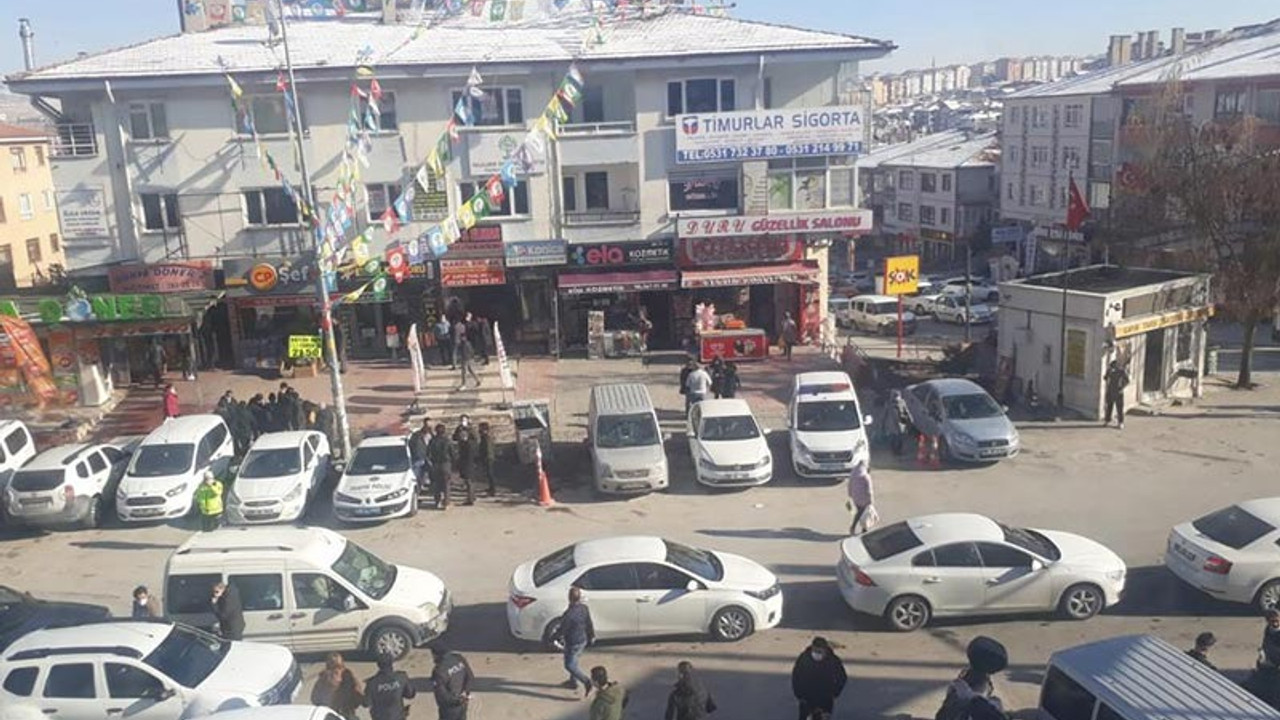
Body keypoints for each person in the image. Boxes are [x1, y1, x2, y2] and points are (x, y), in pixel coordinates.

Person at [791, 637, 847, 720]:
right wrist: (798, 694)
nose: (817, 654)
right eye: (815, 651)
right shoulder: (804, 658)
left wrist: (835, 692)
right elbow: (796, 676)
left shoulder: (833, 660)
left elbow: (842, 677)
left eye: (820, 651)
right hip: (806, 697)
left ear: (825, 650)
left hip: (825, 698)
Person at [554, 586, 595, 696]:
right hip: (583, 639)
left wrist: (555, 637)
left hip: (573, 642)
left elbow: (563, 629)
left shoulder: (569, 614)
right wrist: (592, 635)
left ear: (569, 598)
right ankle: (573, 682)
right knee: (574, 660)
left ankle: (586, 681)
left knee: (569, 665)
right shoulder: (584, 608)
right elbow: (589, 623)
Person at [311, 652, 365, 718]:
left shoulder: (323, 678)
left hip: (332, 714)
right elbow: (358, 696)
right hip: (343, 713)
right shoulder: (348, 676)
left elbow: (315, 699)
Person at [365, 653, 416, 720]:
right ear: (392, 663)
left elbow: (366, 703)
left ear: (378, 665)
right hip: (398, 717)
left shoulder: (372, 683)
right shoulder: (401, 677)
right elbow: (410, 694)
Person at [430, 645, 474, 720]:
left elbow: (441, 694)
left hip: (449, 707)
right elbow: (470, 676)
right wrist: (465, 692)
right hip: (463, 702)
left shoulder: (439, 671)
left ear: (435, 655)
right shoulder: (459, 658)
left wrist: (456, 701)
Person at [427, 423, 456, 510]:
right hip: (445, 464)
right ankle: (446, 503)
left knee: (437, 484)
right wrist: (454, 463)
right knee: (446, 484)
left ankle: (437, 501)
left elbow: (428, 453)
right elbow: (452, 453)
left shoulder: (432, 441)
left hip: (435, 464)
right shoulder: (447, 441)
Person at [452, 416, 477, 506]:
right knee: (468, 480)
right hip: (464, 458)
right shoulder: (459, 429)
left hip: (468, 461)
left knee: (469, 480)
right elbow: (454, 437)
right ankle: (471, 496)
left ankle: (471, 497)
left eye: (465, 420)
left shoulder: (471, 432)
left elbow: (475, 438)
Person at [847, 462, 876, 535]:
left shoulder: (853, 473)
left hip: (855, 497)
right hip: (864, 498)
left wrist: (850, 494)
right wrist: (871, 501)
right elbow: (869, 490)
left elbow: (849, 484)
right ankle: (855, 527)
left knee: (861, 512)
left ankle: (864, 528)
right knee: (862, 513)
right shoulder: (866, 477)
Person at [1103, 359, 1130, 429]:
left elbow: (1127, 381)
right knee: (1109, 406)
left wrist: (1122, 388)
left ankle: (1120, 422)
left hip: (1118, 391)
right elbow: (1105, 378)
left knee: (1119, 408)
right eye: (1112, 367)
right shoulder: (1109, 371)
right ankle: (1107, 420)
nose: (1113, 368)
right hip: (1110, 391)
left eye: (1114, 367)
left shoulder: (1121, 371)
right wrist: (1108, 372)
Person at [409, 418, 432, 492]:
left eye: (430, 424)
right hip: (419, 457)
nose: (428, 426)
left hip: (428, 457)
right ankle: (417, 489)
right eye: (427, 424)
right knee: (417, 474)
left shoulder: (431, 434)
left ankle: (422, 486)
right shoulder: (417, 435)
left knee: (425, 474)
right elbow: (411, 445)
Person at [478, 421, 496, 497]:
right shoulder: (485, 437)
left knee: (490, 474)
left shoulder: (486, 438)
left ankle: (492, 490)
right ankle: (491, 488)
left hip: (488, 458)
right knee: (489, 474)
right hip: (488, 457)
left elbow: (487, 449)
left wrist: (485, 457)